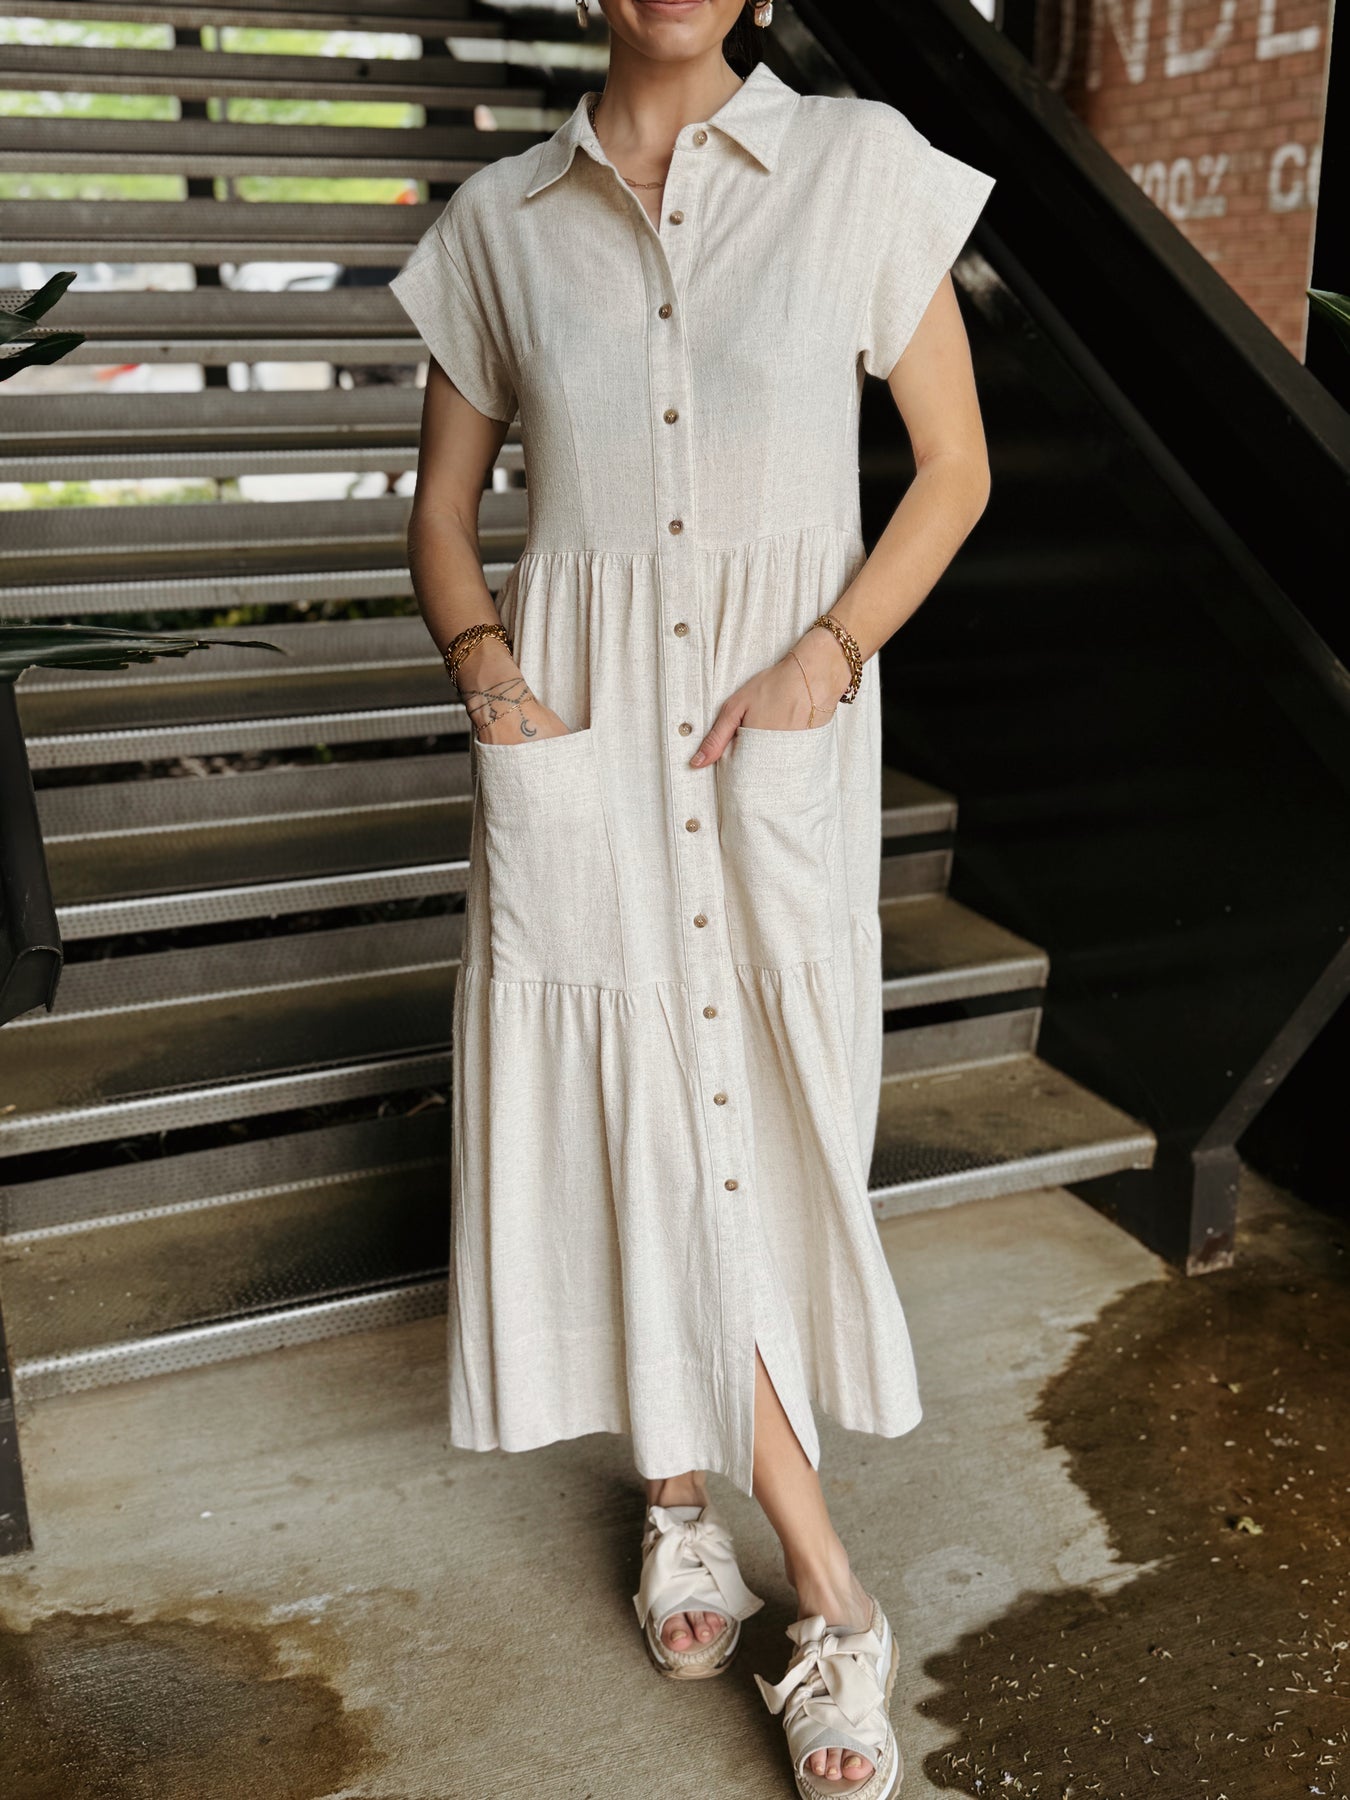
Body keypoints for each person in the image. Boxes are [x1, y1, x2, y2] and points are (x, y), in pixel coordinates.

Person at [389, 2, 994, 1791]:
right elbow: (440, 516)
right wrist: (494, 680)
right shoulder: (497, 223)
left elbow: (952, 468)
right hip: (577, 739)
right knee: (627, 1112)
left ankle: (688, 1498)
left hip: (769, 735)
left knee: (757, 1120)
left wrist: (829, 653)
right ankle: (806, 1574)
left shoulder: (855, 165)